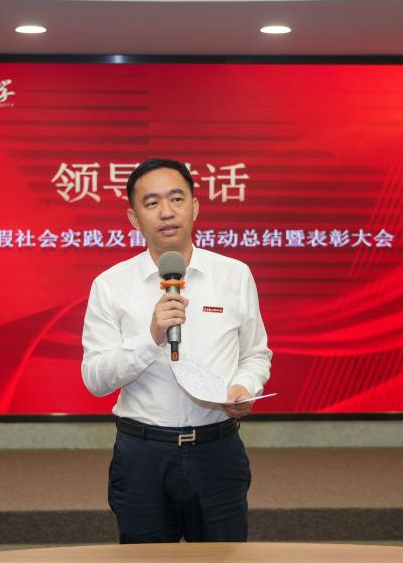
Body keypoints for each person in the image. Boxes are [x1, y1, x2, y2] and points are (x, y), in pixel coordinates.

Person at [81, 157, 272, 543]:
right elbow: (95, 379)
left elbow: (255, 354)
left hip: (218, 451)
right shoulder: (110, 285)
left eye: (177, 199)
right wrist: (150, 336)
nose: (166, 212)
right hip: (143, 456)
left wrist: (245, 387)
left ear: (195, 207)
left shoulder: (234, 275)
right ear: (134, 218)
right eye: (151, 203)